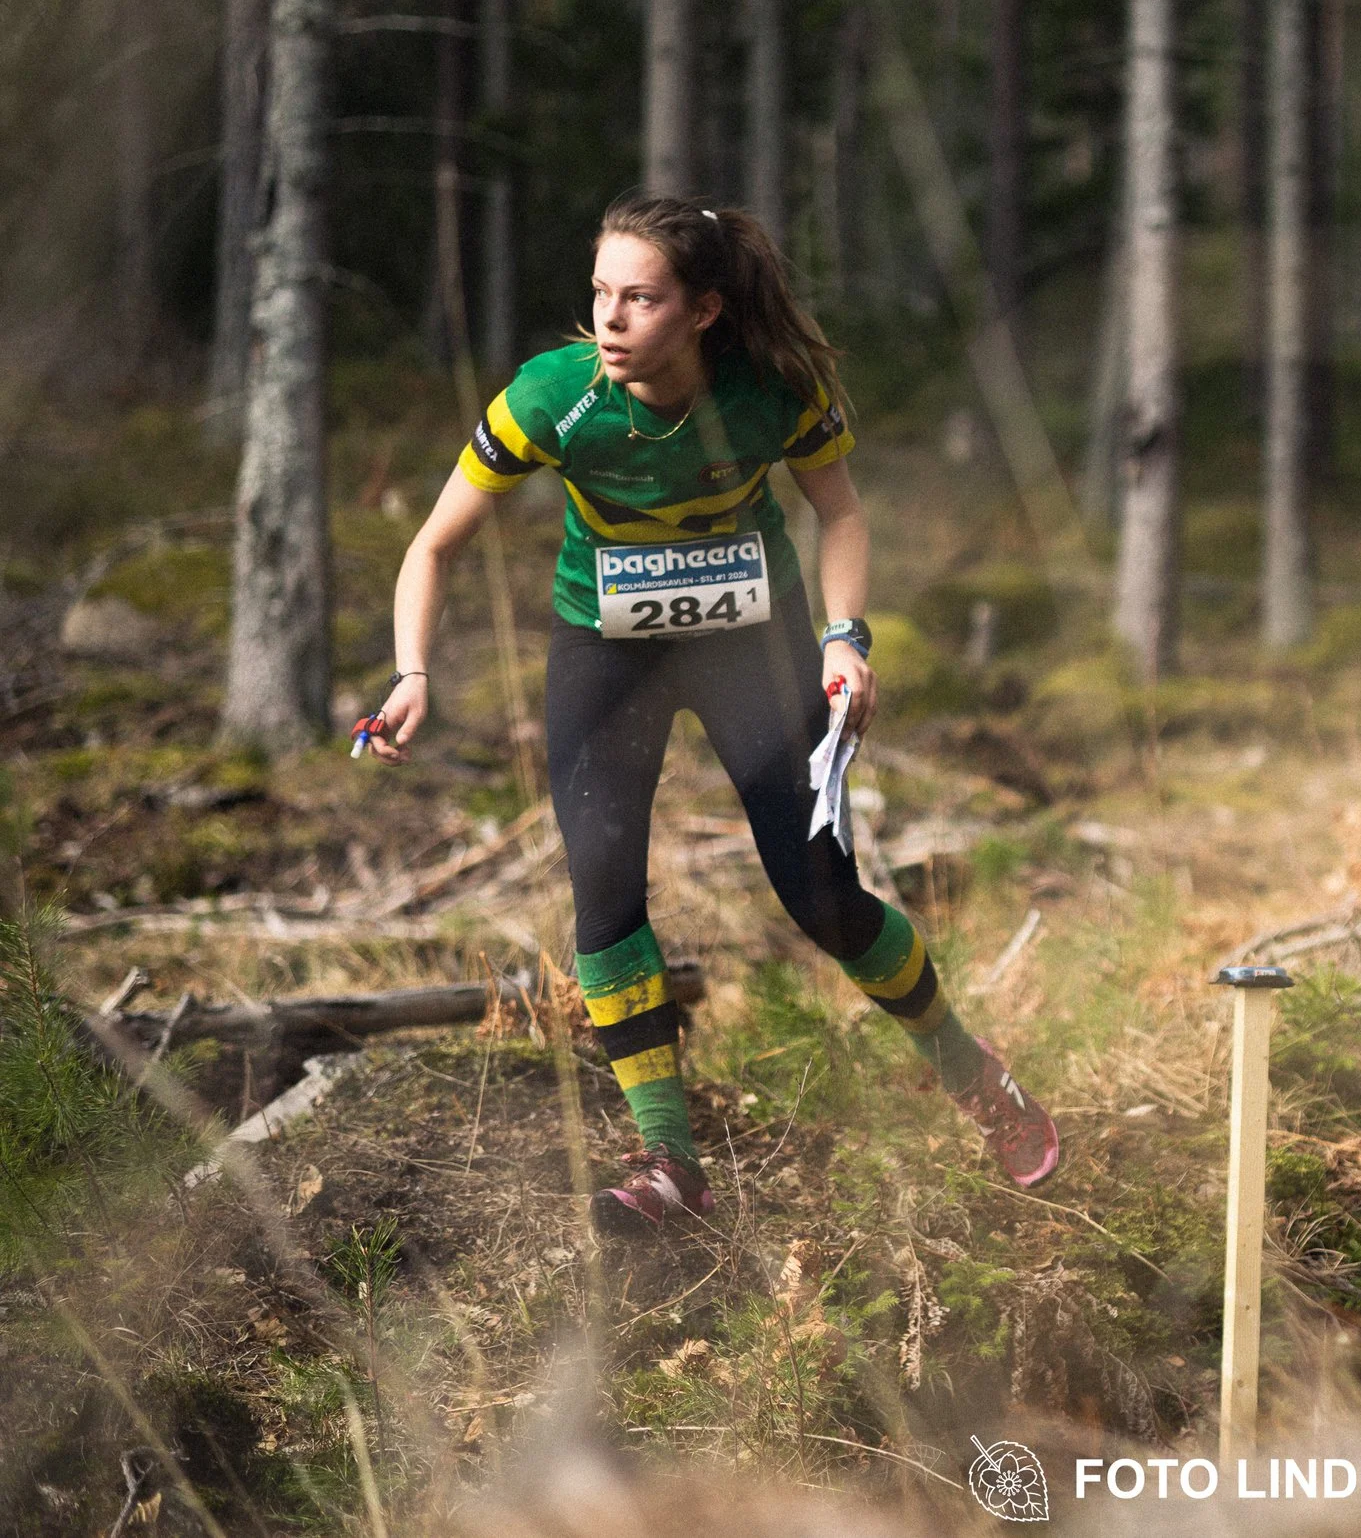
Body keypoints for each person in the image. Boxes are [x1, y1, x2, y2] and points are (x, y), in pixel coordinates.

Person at [362, 193, 1059, 1233]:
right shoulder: (552, 396)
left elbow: (841, 512)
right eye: (600, 293)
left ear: (704, 310)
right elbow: (432, 543)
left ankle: (969, 1070)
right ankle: (670, 1161)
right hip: (606, 650)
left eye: (640, 299)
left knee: (822, 898)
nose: (609, 320)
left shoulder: (772, 388)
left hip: (751, 643)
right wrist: (412, 671)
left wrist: (845, 638)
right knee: (604, 900)